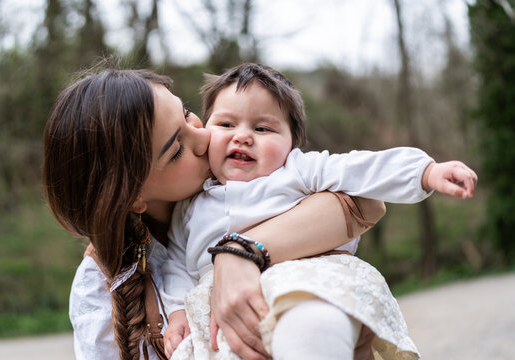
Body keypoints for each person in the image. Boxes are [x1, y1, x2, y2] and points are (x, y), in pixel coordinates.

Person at [42, 67, 388, 360]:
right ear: (133, 198)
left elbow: (367, 202)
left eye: (188, 114)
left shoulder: (249, 183)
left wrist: (238, 252)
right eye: (177, 149)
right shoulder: (98, 286)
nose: (204, 137)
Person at [161, 63, 478, 360]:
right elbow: (175, 261)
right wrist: (176, 311)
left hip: (298, 282)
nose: (242, 136)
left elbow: (358, 167)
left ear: (291, 144)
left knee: (315, 326)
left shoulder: (296, 171)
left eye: (263, 128)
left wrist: (424, 172)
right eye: (226, 124)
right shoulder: (190, 205)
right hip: (221, 314)